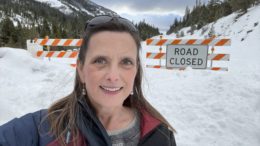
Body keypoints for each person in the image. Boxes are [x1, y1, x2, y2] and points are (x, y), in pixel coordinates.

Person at [0, 15, 176, 146]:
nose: (113, 76)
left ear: (136, 71)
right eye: (100, 61)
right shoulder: (44, 129)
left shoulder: (161, 135)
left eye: (126, 62)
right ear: (81, 69)